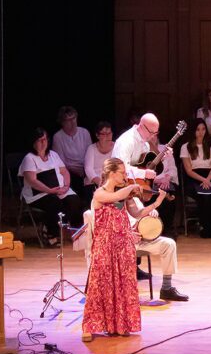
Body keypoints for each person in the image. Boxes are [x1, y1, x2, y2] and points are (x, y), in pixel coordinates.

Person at [82, 158, 153, 341]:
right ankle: (90, 326)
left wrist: (156, 202)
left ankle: (120, 325)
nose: (125, 176)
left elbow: (135, 212)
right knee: (99, 287)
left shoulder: (124, 195)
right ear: (112, 174)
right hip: (104, 248)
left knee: (122, 286)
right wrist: (130, 188)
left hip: (122, 248)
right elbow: (113, 198)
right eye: (122, 172)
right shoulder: (100, 193)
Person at [19, 127, 83, 242]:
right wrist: (50, 191)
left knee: (75, 201)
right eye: (40, 140)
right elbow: (33, 181)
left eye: (45, 139)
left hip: (59, 190)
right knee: (55, 204)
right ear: (33, 143)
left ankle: (70, 230)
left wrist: (66, 186)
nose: (44, 143)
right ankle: (51, 233)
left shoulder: (53, 154)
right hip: (39, 194)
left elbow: (64, 172)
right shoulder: (29, 158)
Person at [180, 119, 211, 238]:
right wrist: (203, 180)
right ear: (193, 131)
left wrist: (208, 179)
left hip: (210, 175)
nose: (201, 132)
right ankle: (203, 226)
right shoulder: (185, 147)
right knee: (203, 196)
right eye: (198, 130)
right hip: (194, 177)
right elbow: (188, 170)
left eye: (203, 129)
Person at [51, 105, 91, 192]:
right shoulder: (58, 137)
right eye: (68, 120)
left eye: (73, 118)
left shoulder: (84, 132)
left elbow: (90, 154)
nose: (72, 122)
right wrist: (77, 171)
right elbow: (60, 162)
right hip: (70, 170)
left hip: (85, 168)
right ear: (62, 122)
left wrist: (86, 169)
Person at [112, 112, 162, 179]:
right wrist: (143, 173)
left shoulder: (145, 144)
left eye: (155, 133)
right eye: (151, 132)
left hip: (135, 184)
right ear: (141, 126)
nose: (152, 136)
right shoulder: (126, 141)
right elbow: (120, 170)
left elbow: (143, 165)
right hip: (119, 184)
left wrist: (164, 156)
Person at [83, 120, 115, 204]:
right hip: (93, 183)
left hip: (111, 183)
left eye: (109, 133)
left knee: (117, 202)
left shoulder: (116, 146)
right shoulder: (91, 148)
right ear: (97, 135)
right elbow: (88, 169)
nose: (108, 136)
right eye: (104, 134)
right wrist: (101, 183)